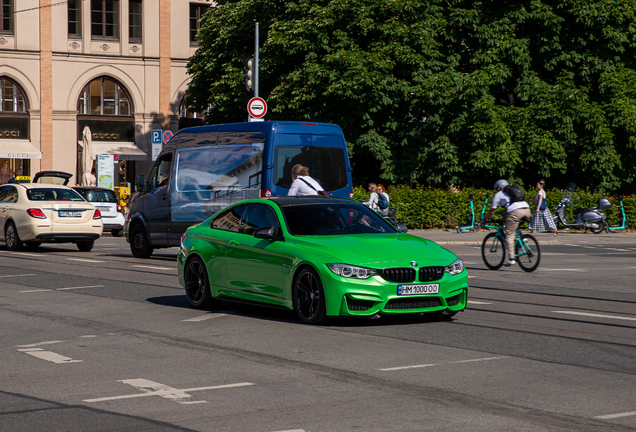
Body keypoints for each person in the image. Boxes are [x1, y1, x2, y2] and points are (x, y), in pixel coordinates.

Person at [484, 179, 531, 266]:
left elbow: (492, 210)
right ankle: (522, 238)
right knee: (514, 225)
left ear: (498, 188)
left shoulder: (498, 195)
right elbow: (509, 211)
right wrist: (503, 219)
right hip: (527, 210)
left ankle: (511, 259)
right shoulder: (511, 194)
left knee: (509, 235)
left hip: (515, 212)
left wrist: (485, 218)